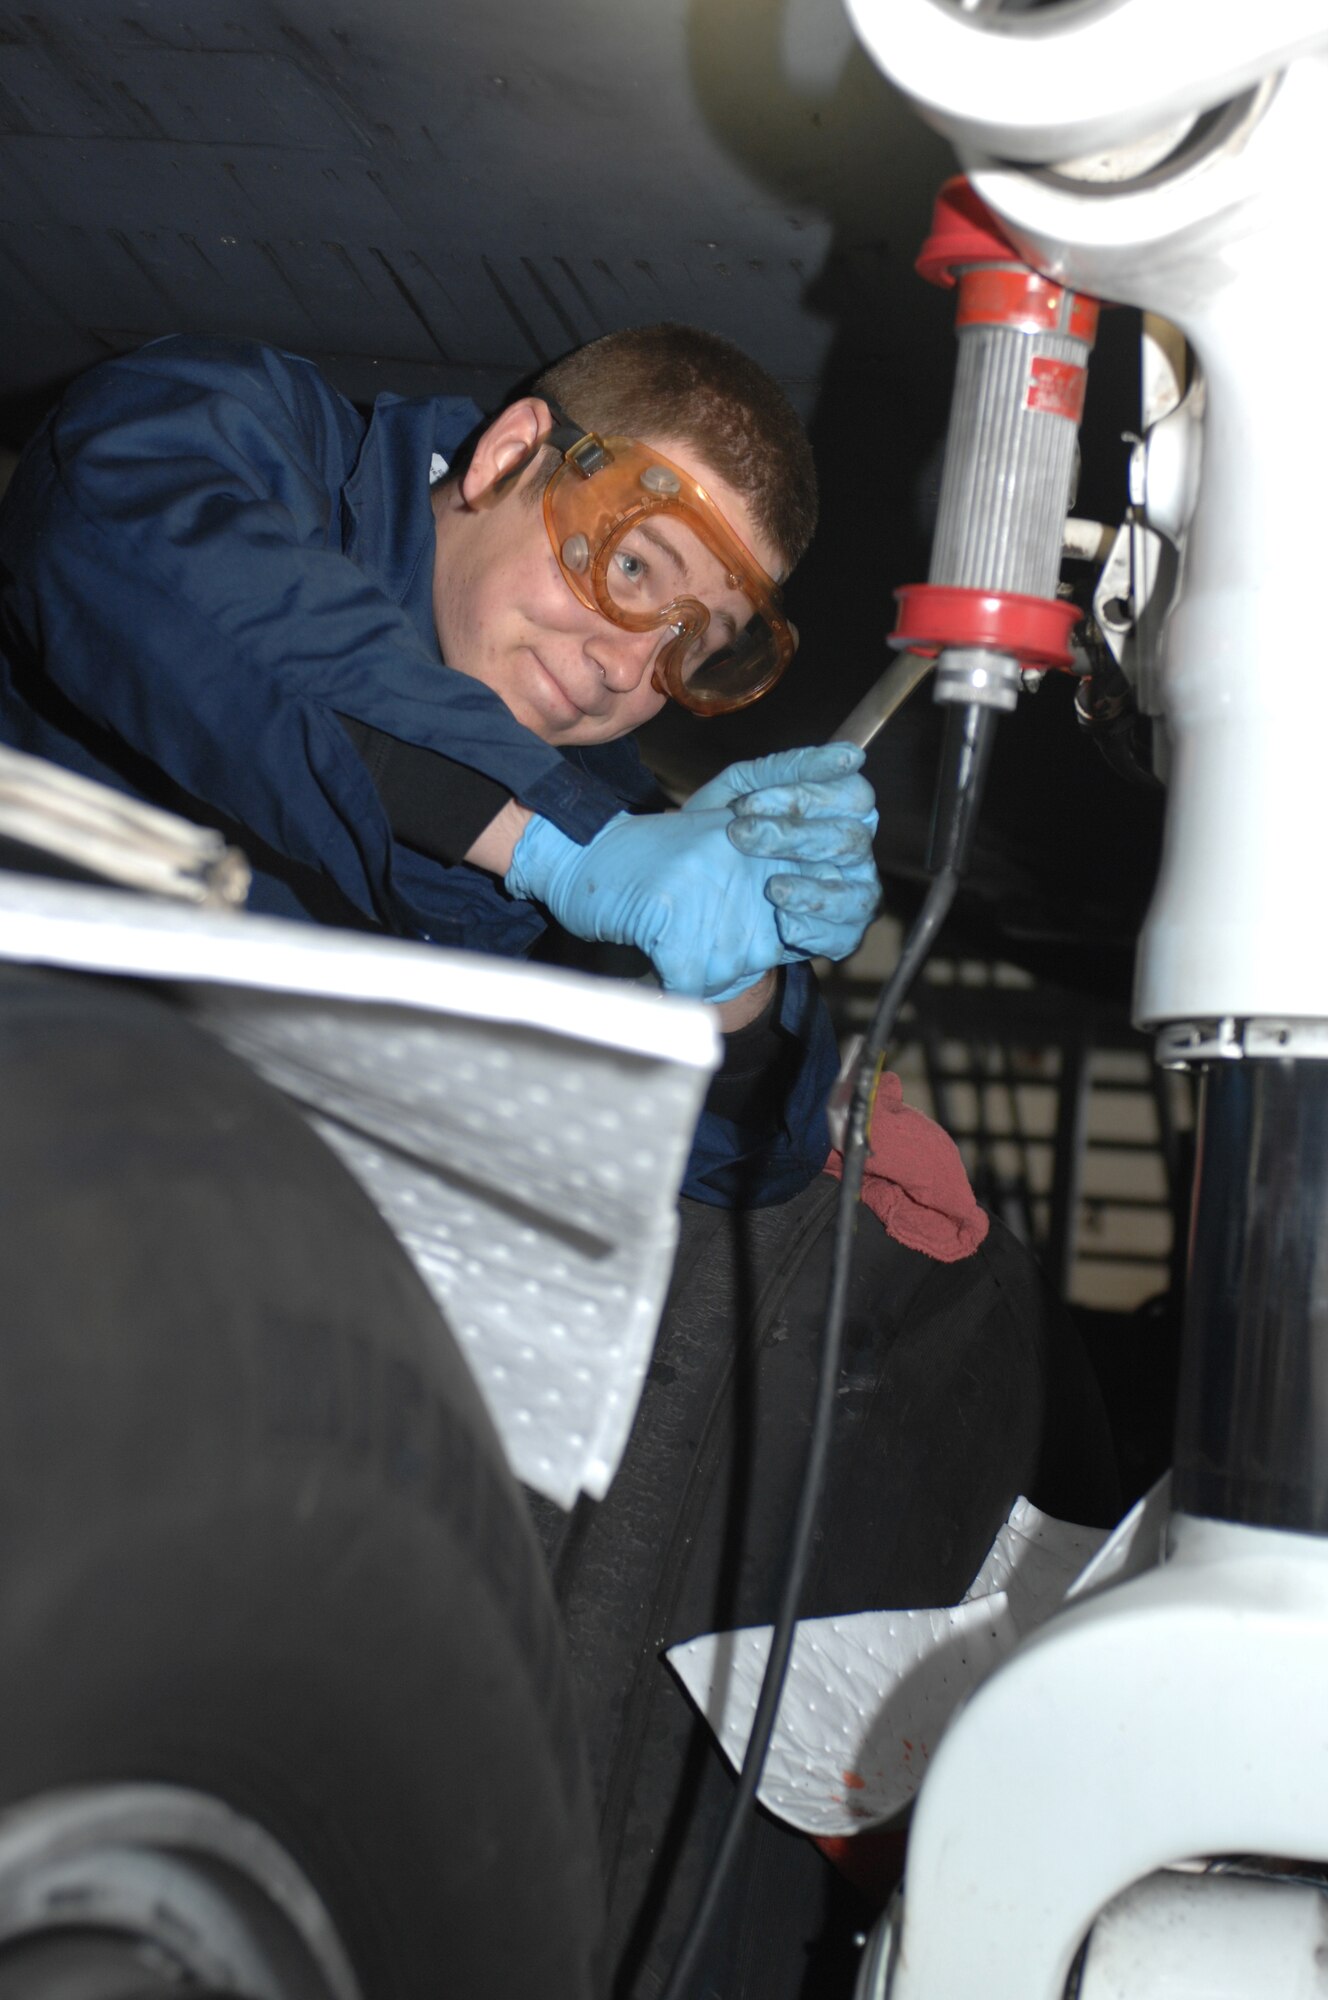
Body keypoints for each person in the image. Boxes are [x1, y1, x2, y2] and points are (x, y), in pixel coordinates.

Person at [0, 323, 880, 1203]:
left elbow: (736, 1164)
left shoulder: (606, 814)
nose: (626, 667)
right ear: (507, 456)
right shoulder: (237, 427)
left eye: (693, 644)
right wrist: (543, 841)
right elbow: (167, 568)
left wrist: (729, 983)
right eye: (636, 565)